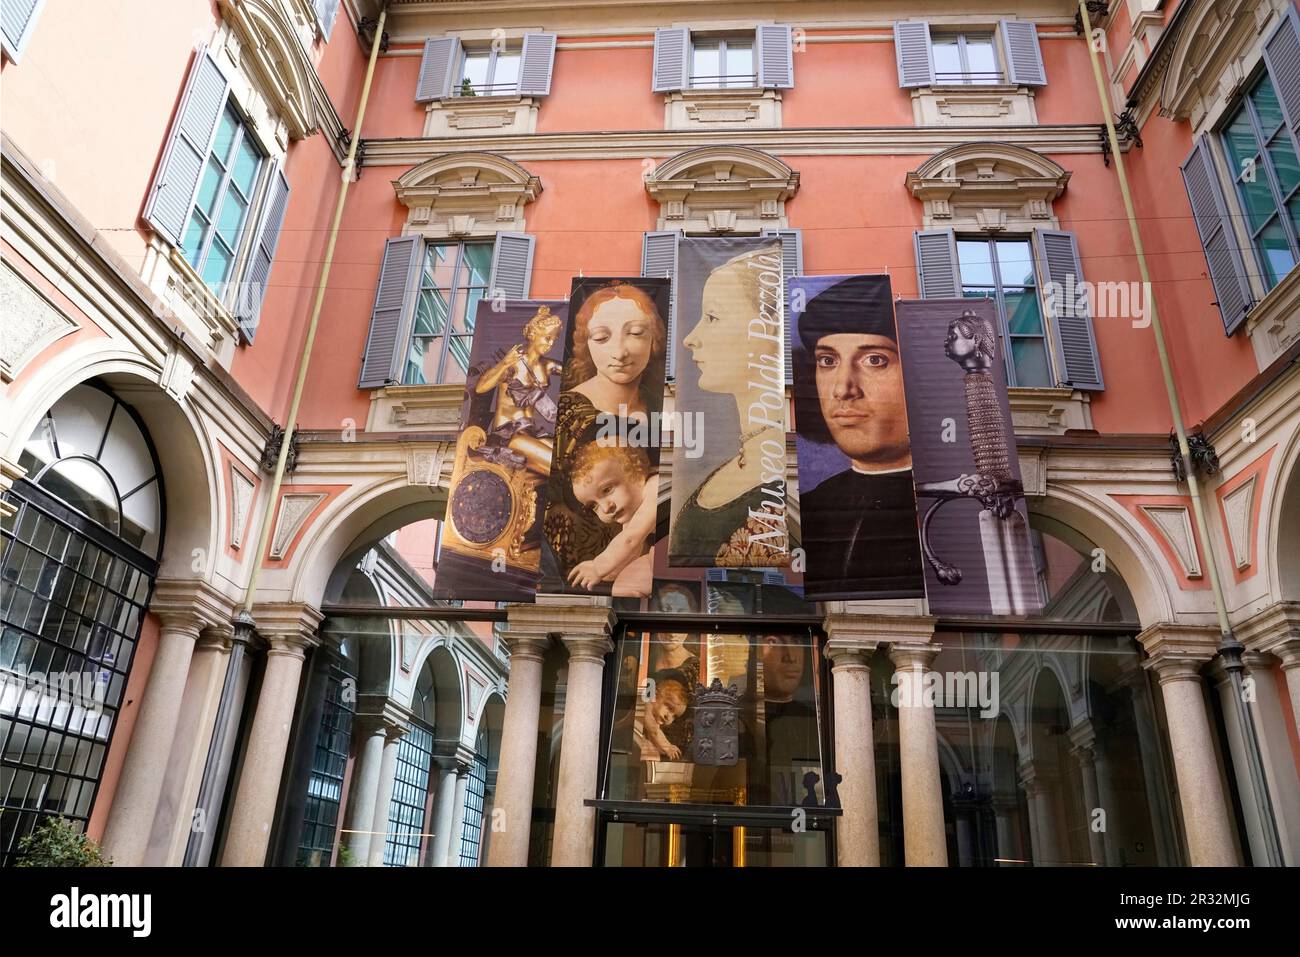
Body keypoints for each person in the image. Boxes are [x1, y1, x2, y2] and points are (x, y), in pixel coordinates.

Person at [794, 275, 925, 598]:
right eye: (827, 360)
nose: (843, 389)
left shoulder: (964, 505)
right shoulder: (813, 505)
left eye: (874, 360)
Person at [543, 281, 667, 588]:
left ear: (654, 338)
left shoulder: (658, 405)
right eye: (601, 337)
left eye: (636, 333)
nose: (621, 352)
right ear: (587, 344)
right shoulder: (569, 410)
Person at [671, 244, 789, 566]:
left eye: (712, 317)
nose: (689, 338)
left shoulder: (771, 476)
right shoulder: (736, 461)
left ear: (771, 329)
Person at [470, 305, 563, 473]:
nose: (551, 344)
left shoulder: (547, 365)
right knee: (556, 467)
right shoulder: (512, 363)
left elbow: (577, 369)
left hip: (532, 432)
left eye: (554, 339)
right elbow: (481, 388)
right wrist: (504, 363)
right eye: (547, 338)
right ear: (533, 335)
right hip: (508, 435)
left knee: (571, 459)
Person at [566, 442, 657, 594]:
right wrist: (609, 573)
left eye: (607, 490)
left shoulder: (655, 486)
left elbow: (630, 539)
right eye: (593, 506)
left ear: (636, 471)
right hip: (661, 556)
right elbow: (632, 552)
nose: (605, 508)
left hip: (686, 554)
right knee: (623, 586)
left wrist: (598, 567)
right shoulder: (631, 513)